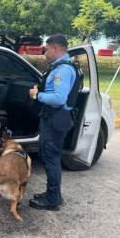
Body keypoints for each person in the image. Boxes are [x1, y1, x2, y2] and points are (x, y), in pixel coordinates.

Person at [28, 34, 77, 211]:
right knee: (48, 156)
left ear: (55, 48)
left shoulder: (63, 70)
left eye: (47, 48)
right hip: (52, 118)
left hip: (56, 120)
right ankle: (52, 193)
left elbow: (58, 98)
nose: (45, 51)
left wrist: (37, 95)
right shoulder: (58, 68)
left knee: (51, 159)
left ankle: (53, 199)